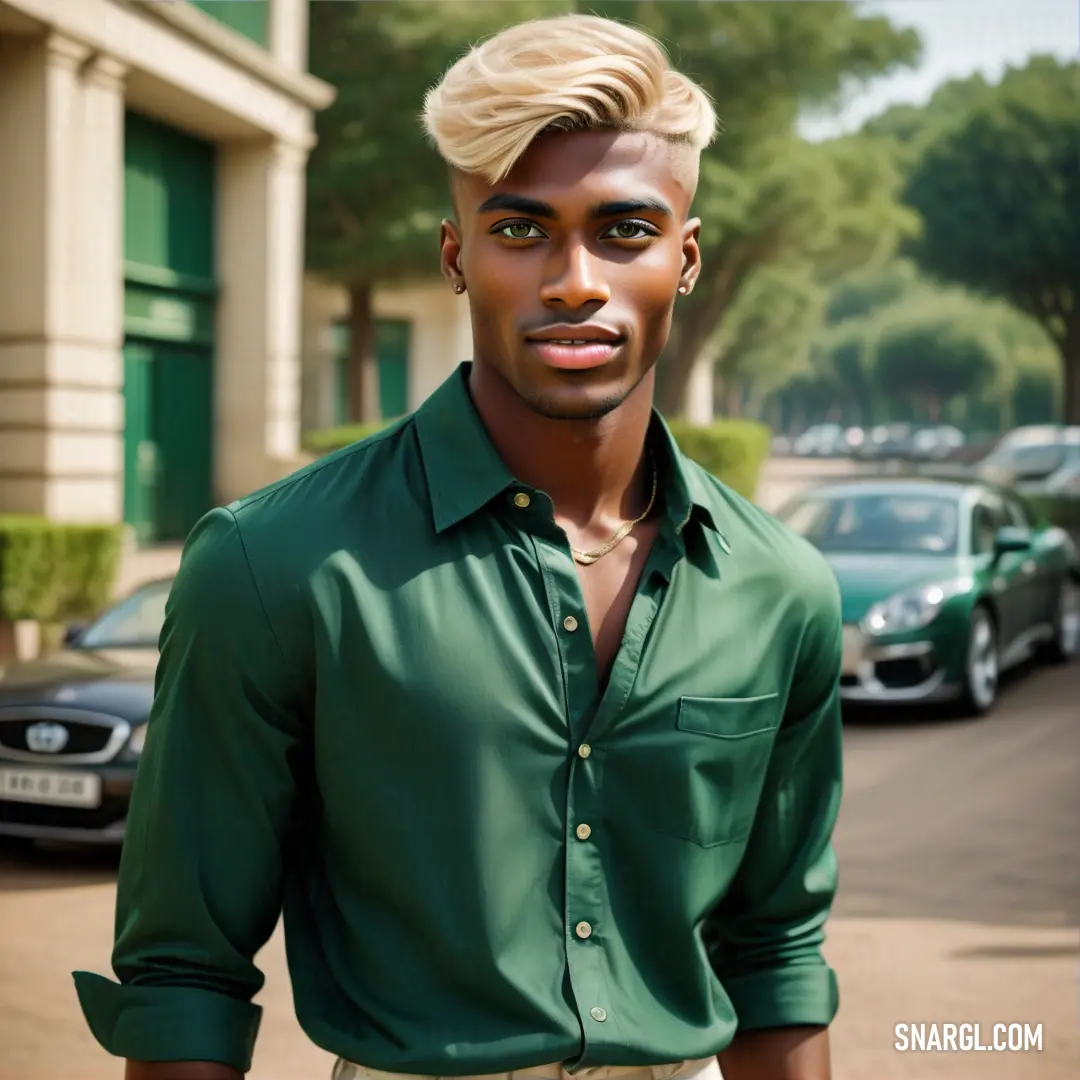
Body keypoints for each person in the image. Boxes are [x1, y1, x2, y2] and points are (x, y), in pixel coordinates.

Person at [74, 14, 843, 1080]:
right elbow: (182, 980)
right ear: (457, 256)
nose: (575, 280)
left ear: (687, 255)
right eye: (521, 231)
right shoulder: (273, 566)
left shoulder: (780, 587)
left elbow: (774, 957)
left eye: (624, 231)